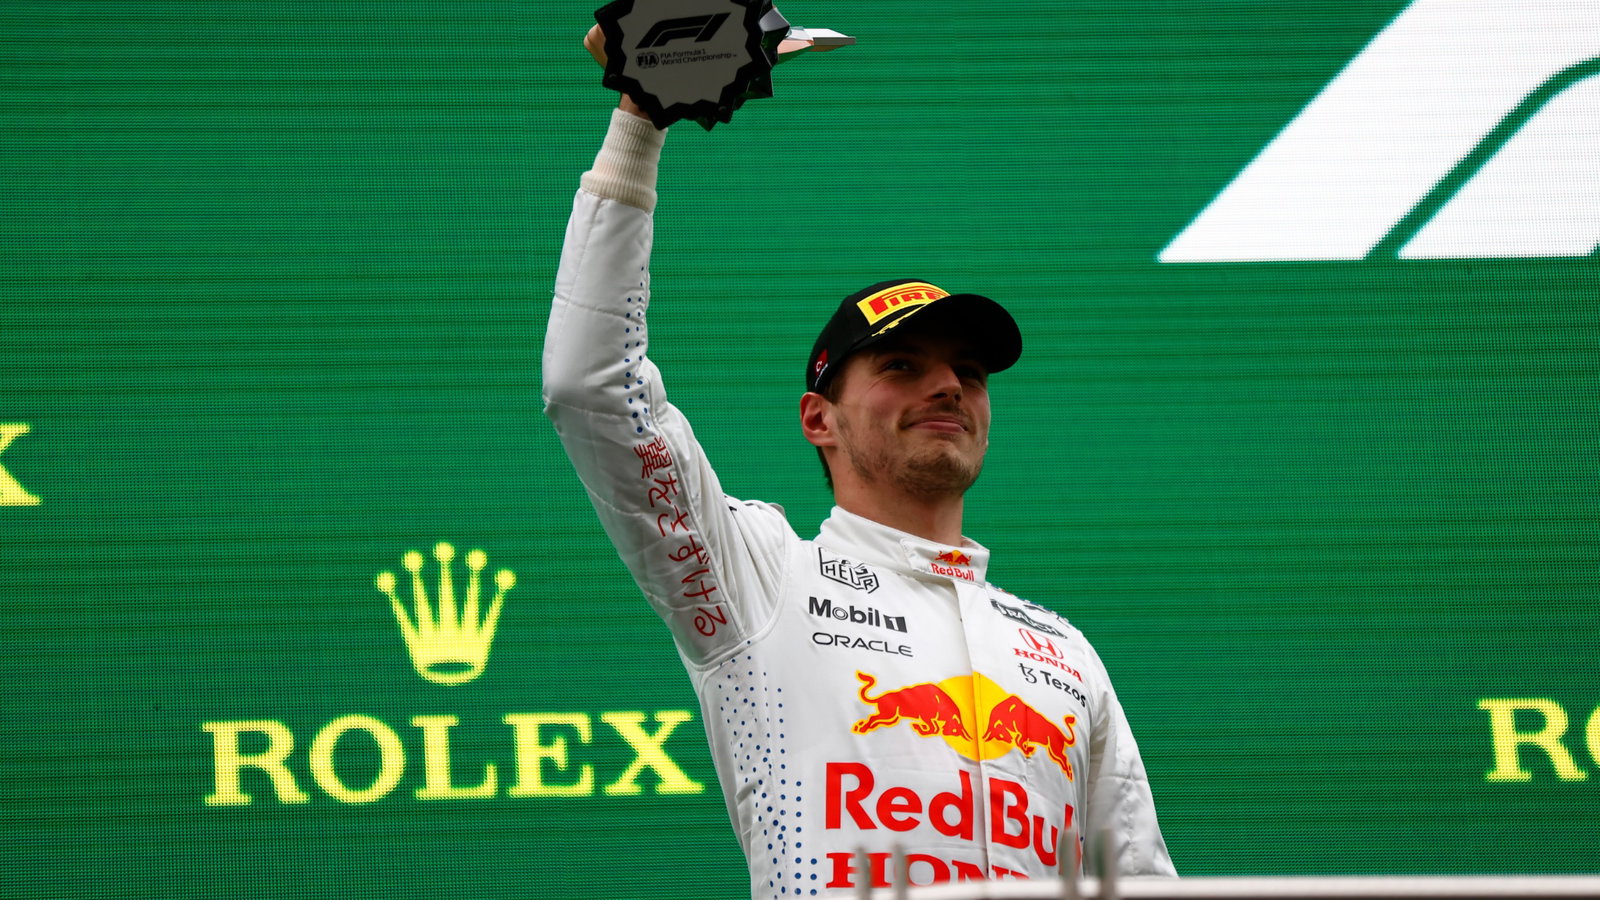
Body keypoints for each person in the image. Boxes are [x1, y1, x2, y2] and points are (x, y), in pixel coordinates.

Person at [543, 92, 1176, 898]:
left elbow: (1145, 885)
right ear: (820, 419)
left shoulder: (1064, 654)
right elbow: (592, 390)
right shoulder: (759, 580)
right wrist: (640, 122)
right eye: (902, 365)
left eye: (969, 374)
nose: (948, 385)